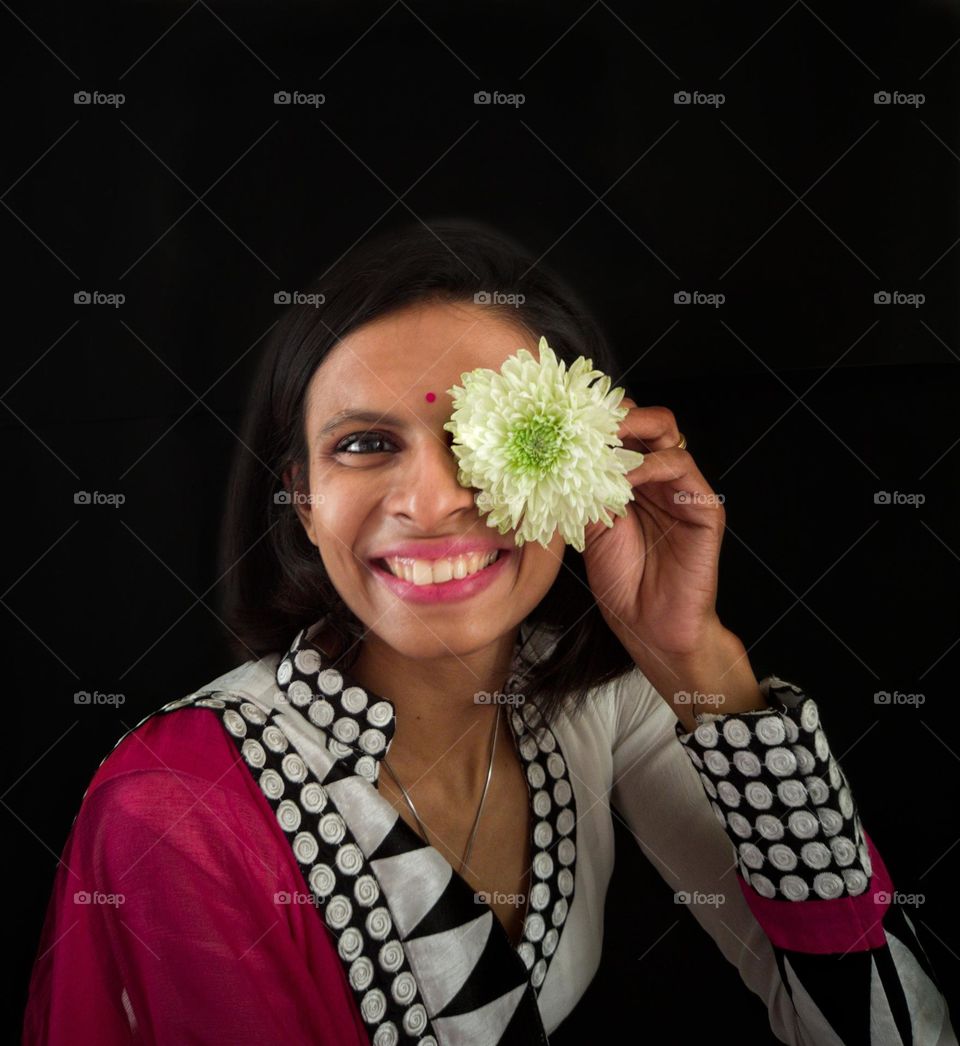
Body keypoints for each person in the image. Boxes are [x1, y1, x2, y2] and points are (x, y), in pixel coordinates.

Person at [23, 220, 956, 1045]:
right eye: (363, 443)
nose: (431, 502)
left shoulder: (601, 709)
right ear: (301, 501)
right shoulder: (174, 808)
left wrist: (691, 655)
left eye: (491, 436)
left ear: (596, 460)